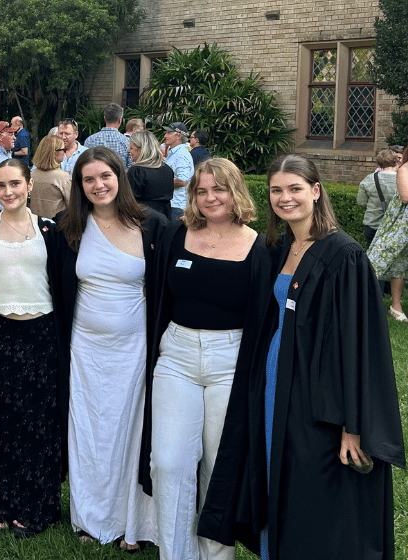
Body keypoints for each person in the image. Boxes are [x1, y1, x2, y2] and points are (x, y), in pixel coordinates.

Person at [199, 155, 406, 560]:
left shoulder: (344, 256)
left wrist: (353, 425)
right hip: (278, 378)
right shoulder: (282, 247)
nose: (284, 197)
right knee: (281, 474)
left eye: (295, 188)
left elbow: (359, 346)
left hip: (321, 396)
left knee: (316, 488)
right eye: (276, 190)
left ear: (315, 191)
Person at [143, 157, 271, 560]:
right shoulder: (175, 235)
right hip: (177, 354)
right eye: (202, 190)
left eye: (219, 189)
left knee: (218, 465)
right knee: (168, 462)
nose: (211, 197)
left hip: (230, 359)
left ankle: (217, 555)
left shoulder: (262, 246)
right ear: (192, 197)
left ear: (236, 193)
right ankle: (176, 554)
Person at [57, 147, 164, 551]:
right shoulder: (70, 228)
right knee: (88, 432)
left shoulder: (151, 225)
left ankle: (131, 523)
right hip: (84, 349)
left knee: (129, 432)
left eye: (105, 176)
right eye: (88, 179)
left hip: (133, 350)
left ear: (120, 177)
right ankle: (89, 518)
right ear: (79, 186)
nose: (98, 185)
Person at [0, 159, 67, 538]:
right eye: (0, 186)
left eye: (15, 184)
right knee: (5, 421)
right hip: (1, 335)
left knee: (39, 424)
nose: (8, 192)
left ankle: (37, 505)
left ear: (29, 186)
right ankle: (0, 502)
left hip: (43, 335)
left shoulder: (49, 229)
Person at [366, 148, 408, 322]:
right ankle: (354, 296)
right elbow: (405, 197)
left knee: (400, 264)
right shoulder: (404, 169)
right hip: (400, 226)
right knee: (380, 260)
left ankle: (395, 306)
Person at [127, 130, 175, 219]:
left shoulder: (137, 171)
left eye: (131, 148)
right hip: (165, 219)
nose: (128, 151)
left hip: (143, 219)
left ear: (141, 149)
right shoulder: (167, 169)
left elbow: (129, 201)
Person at [358, 148, 399, 245]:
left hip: (372, 225)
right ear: (395, 161)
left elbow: (361, 202)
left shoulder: (369, 179)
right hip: (395, 226)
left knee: (372, 257)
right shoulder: (402, 180)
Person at [29, 134, 70, 218]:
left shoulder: (31, 175)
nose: (65, 152)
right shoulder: (62, 177)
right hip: (56, 225)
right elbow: (73, 205)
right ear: (55, 153)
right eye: (64, 149)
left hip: (35, 224)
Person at [82, 103, 132, 168]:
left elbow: (85, 165)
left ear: (104, 118)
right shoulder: (126, 142)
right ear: (120, 120)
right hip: (119, 177)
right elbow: (130, 166)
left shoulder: (90, 140)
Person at [162, 122, 194, 221]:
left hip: (177, 206)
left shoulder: (181, 154)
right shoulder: (175, 152)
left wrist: (159, 184)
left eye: (168, 133)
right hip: (172, 204)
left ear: (178, 136)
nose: (165, 136)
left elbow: (182, 181)